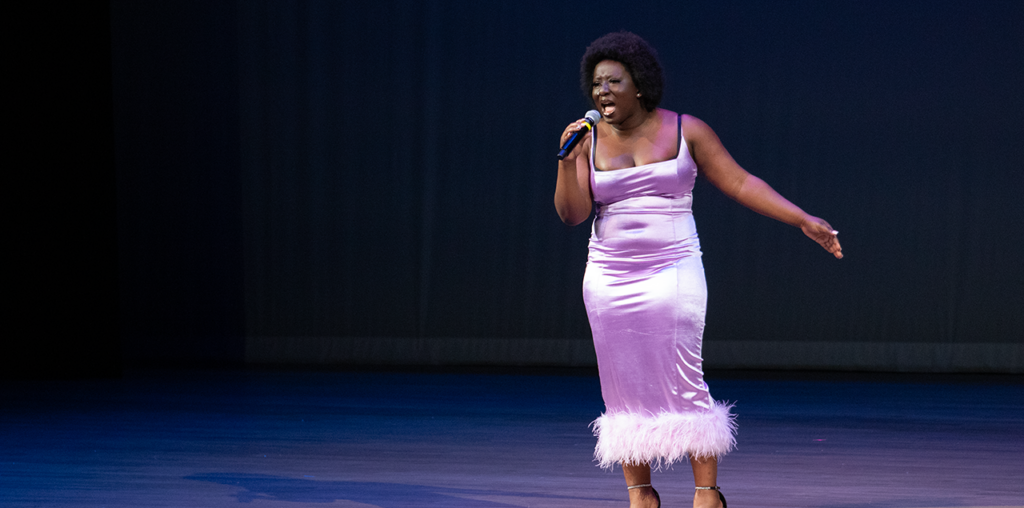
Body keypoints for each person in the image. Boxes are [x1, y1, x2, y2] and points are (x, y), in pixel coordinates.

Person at [554, 32, 843, 508]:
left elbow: (742, 182)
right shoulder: (586, 141)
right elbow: (571, 215)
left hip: (672, 270)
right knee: (622, 384)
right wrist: (567, 161)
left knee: (683, 376)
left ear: (640, 85)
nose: (602, 90)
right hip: (608, 276)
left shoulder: (688, 130)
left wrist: (801, 219)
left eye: (614, 81)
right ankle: (640, 494)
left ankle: (707, 493)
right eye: (597, 82)